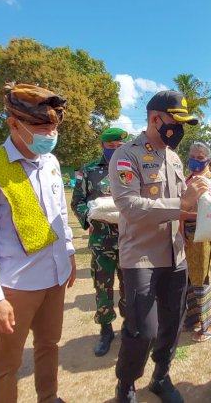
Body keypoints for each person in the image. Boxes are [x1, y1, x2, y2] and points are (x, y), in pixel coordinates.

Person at [0, 83, 76, 403]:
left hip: (54, 276)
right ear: (14, 124)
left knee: (49, 345)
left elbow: (60, 215)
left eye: (54, 126)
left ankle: (49, 397)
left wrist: (68, 252)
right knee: (7, 364)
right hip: (16, 285)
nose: (50, 133)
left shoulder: (50, 162)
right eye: (42, 127)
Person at [110, 90, 208, 403]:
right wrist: (183, 202)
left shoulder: (175, 158)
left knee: (172, 324)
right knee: (143, 330)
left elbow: (187, 207)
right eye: (175, 122)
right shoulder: (126, 155)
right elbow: (129, 206)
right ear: (155, 119)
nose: (179, 130)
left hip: (175, 254)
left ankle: (161, 376)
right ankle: (126, 383)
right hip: (140, 256)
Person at [71, 127, 129, 357]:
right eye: (111, 147)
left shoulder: (129, 169)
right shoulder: (88, 171)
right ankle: (106, 330)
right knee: (102, 288)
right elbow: (77, 202)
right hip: (101, 242)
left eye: (120, 147)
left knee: (129, 287)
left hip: (128, 241)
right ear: (102, 147)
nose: (115, 151)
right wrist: (89, 218)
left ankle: (128, 327)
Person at [183, 142, 211, 343]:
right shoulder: (189, 178)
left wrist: (184, 214)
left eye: (200, 157)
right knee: (189, 280)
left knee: (200, 281)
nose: (195, 160)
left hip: (202, 235)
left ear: (208, 160)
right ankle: (193, 319)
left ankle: (209, 325)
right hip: (186, 236)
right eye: (193, 156)